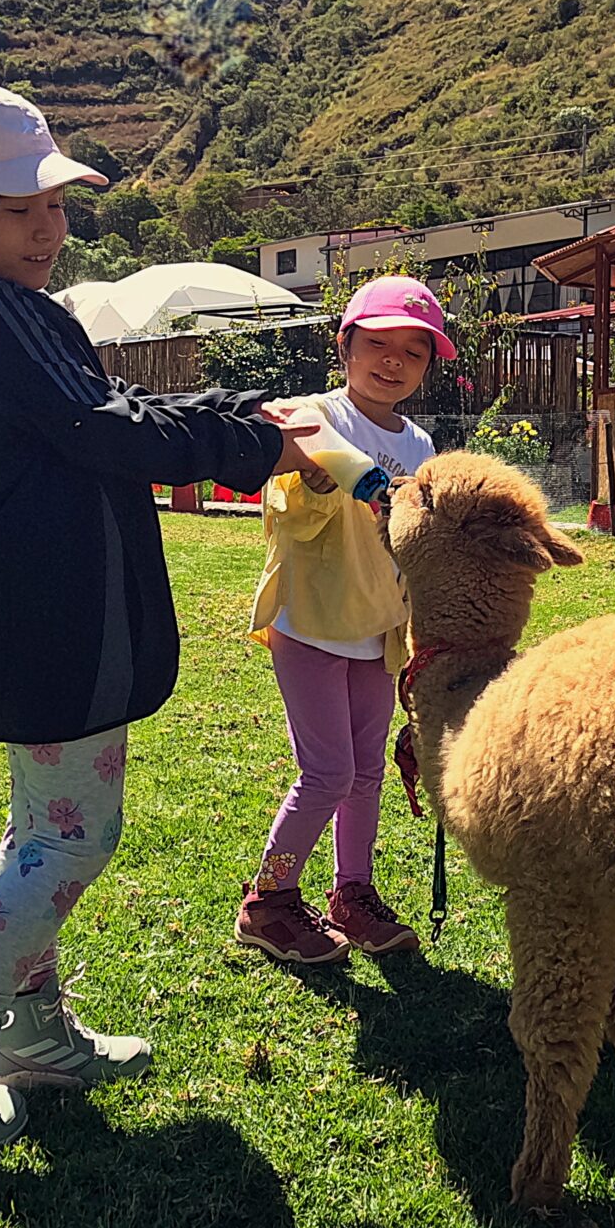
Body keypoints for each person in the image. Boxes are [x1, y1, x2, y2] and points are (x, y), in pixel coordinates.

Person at [0, 81, 322, 1159]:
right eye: (22, 212)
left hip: (45, 607)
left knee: (38, 831)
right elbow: (106, 434)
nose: (49, 229)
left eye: (54, 205)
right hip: (45, 614)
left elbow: (118, 414)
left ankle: (32, 1031)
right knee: (71, 837)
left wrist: (238, 415)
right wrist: (253, 448)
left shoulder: (3, 308)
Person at [235, 276, 451, 967]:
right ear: (345, 346)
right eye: (377, 344)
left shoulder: (420, 444)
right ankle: (268, 901)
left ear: (427, 366)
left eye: (412, 353)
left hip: (378, 631)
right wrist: (319, 484)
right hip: (312, 622)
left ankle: (350, 894)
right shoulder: (314, 418)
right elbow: (282, 515)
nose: (392, 362)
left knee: (365, 775)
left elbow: (423, 546)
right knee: (326, 773)